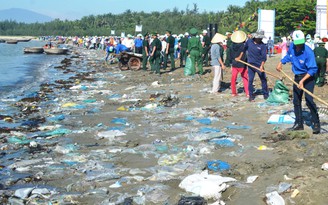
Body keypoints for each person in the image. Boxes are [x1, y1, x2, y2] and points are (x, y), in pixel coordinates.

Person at [276, 30, 320, 134]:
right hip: (297, 77)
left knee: (309, 100)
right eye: (297, 43)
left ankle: (316, 123)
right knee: (296, 101)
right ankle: (298, 123)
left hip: (308, 77)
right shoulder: (292, 47)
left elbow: (313, 69)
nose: (299, 46)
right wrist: (281, 62)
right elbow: (288, 56)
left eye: (301, 43)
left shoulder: (308, 52)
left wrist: (303, 81)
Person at [237, 30, 269, 101]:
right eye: (259, 38)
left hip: (259, 65)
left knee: (263, 79)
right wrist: (239, 57)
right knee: (250, 80)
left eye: (261, 38)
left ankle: (265, 94)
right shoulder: (249, 42)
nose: (260, 39)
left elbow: (264, 58)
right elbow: (244, 49)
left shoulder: (263, 46)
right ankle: (251, 96)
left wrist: (261, 66)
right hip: (250, 64)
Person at [229, 30, 249, 97]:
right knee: (245, 78)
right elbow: (245, 55)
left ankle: (233, 93)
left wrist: (231, 63)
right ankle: (247, 93)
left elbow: (230, 56)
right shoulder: (243, 46)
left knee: (233, 78)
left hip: (234, 64)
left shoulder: (231, 46)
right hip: (242, 64)